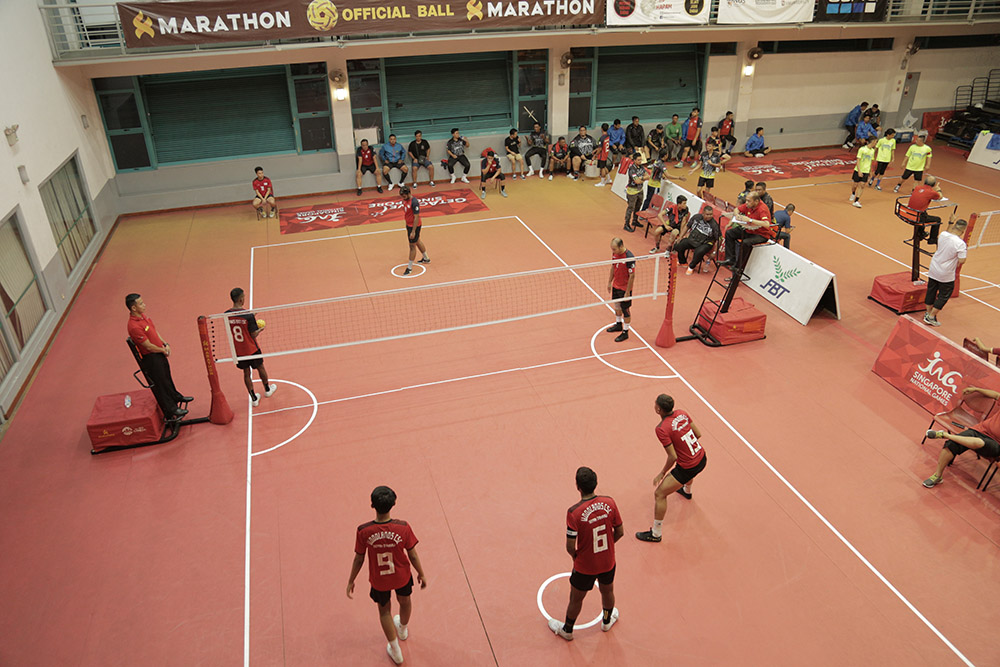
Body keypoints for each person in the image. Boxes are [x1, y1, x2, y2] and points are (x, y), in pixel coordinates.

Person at [346, 485, 428, 666]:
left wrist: (351, 580)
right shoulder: (403, 528)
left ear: (372, 505)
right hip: (402, 576)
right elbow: (412, 554)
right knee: (405, 601)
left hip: (379, 580)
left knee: (384, 611)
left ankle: (395, 651)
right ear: (394, 503)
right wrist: (421, 573)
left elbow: (358, 559)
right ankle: (403, 629)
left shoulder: (363, 531)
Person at [548, 466, 623, 641]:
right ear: (596, 483)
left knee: (576, 599)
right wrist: (608, 547)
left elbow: (569, 545)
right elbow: (619, 531)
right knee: (608, 591)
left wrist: (575, 556)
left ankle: (567, 630)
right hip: (607, 561)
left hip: (585, 566)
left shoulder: (574, 513)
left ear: (577, 486)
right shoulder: (610, 503)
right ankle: (606, 621)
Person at [636, 394, 707, 543]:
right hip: (702, 457)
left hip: (688, 467)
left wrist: (662, 473)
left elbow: (672, 456)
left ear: (658, 409)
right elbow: (698, 434)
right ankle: (687, 491)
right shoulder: (682, 413)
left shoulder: (662, 429)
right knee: (688, 465)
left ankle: (655, 534)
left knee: (660, 494)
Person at [126, 293, 192, 420]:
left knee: (167, 377)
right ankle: (171, 409)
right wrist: (162, 350)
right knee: (161, 384)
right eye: (140, 303)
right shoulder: (134, 326)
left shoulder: (143, 317)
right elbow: (148, 346)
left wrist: (165, 344)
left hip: (159, 352)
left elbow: (154, 332)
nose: (144, 305)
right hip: (152, 358)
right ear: (133, 308)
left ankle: (176, 396)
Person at [923, 386, 1000, 488]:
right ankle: (937, 476)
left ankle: (945, 435)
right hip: (980, 430)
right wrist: (976, 389)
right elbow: (996, 395)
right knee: (951, 445)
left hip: (996, 444)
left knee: (980, 443)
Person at [225, 287, 276, 407]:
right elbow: (253, 334)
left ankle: (253, 398)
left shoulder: (226, 315)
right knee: (260, 367)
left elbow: (237, 320)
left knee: (246, 373)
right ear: (241, 299)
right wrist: (260, 329)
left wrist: (251, 316)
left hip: (239, 350)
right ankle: (267, 390)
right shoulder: (248, 315)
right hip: (251, 349)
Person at [922, 216, 966, 327]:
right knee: (943, 295)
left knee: (931, 290)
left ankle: (928, 313)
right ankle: (931, 317)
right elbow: (962, 260)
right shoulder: (960, 244)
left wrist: (950, 221)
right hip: (945, 274)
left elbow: (948, 230)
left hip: (933, 269)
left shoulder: (943, 235)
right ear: (963, 231)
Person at [719, 191, 775, 269]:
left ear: (756, 201)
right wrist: (737, 215)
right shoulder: (748, 205)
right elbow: (737, 209)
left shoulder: (762, 209)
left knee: (745, 243)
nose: (746, 203)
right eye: (746, 200)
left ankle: (738, 267)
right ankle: (730, 259)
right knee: (730, 233)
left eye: (748, 201)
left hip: (761, 234)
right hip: (749, 230)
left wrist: (750, 220)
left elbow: (767, 224)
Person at [675, 204, 722, 275]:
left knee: (699, 252)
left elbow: (719, 239)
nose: (709, 216)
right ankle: (682, 262)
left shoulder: (714, 225)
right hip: (693, 239)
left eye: (711, 214)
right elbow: (687, 226)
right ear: (703, 213)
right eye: (707, 214)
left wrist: (714, 252)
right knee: (678, 244)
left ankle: (691, 267)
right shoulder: (696, 217)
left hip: (706, 243)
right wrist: (680, 237)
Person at [606, 237, 636, 343]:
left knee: (625, 310)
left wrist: (628, 292)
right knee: (617, 307)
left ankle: (625, 332)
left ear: (621, 246)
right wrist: (610, 282)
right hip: (616, 285)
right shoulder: (615, 255)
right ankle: (618, 324)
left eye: (614, 249)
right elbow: (613, 267)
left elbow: (632, 276)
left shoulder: (629, 257)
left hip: (624, 288)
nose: (613, 251)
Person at [399, 186, 430, 276]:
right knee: (417, 241)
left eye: (404, 196)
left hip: (414, 226)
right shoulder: (405, 200)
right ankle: (426, 258)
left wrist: (413, 231)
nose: (402, 198)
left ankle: (409, 268)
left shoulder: (414, 202)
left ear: (409, 193)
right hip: (409, 225)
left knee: (412, 246)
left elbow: (416, 217)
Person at [907, 175, 945, 244]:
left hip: (909, 214)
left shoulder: (917, 187)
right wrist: (938, 189)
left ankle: (921, 233)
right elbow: (940, 196)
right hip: (917, 217)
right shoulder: (932, 192)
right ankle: (932, 239)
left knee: (924, 213)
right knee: (937, 220)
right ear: (933, 184)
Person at [849, 136, 877, 209]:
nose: (876, 143)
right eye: (875, 142)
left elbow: (870, 161)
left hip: (866, 171)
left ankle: (856, 201)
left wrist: (870, 171)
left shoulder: (872, 151)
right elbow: (858, 160)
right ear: (872, 142)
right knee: (855, 185)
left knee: (862, 185)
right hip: (858, 170)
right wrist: (859, 171)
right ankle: (853, 193)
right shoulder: (862, 149)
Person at [622, 152, 648, 232]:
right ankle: (626, 224)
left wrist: (641, 178)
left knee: (638, 206)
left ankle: (635, 220)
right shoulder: (632, 169)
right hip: (632, 191)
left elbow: (648, 176)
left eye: (641, 160)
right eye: (638, 160)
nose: (640, 161)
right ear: (634, 160)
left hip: (640, 190)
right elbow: (637, 181)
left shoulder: (641, 167)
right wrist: (643, 178)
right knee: (631, 208)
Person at [594, 123, 612, 187]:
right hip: (606, 153)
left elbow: (600, 149)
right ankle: (609, 179)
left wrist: (595, 155)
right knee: (604, 167)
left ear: (601, 129)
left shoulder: (601, 138)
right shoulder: (607, 136)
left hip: (602, 155)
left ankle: (602, 182)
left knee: (602, 168)